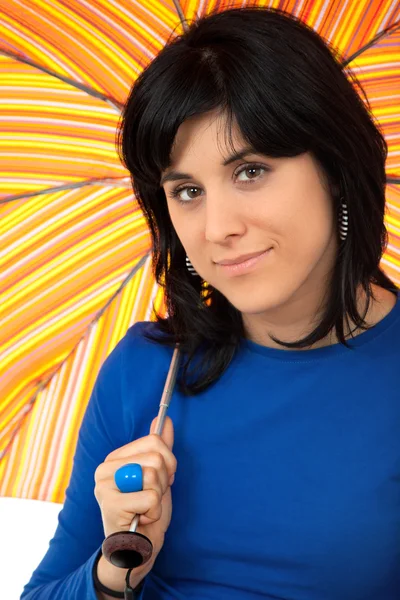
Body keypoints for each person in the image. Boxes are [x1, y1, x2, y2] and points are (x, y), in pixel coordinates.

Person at [21, 6, 400, 600]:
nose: (217, 227)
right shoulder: (145, 370)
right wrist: (117, 567)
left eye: (250, 170)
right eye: (187, 191)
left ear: (335, 169)